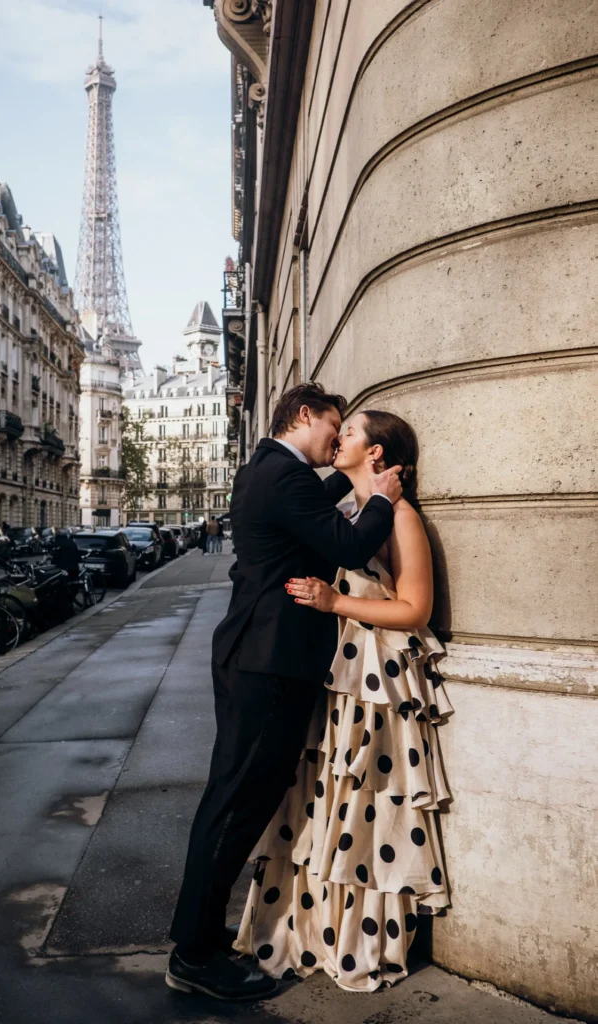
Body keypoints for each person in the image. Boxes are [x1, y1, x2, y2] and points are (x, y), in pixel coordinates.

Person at [167, 383, 402, 1000]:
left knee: (233, 797)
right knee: (238, 801)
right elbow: (347, 542)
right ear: (305, 415)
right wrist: (381, 499)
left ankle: (198, 937)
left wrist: (346, 483)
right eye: (334, 422)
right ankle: (192, 955)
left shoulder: (267, 470)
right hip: (269, 663)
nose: (337, 434)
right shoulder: (284, 476)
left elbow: (311, 510)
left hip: (254, 655)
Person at [235, 410, 453, 992]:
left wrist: (335, 604)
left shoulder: (400, 517)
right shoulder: (350, 513)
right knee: (330, 806)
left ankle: (360, 941)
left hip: (376, 686)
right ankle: (319, 930)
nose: (339, 439)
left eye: (350, 431)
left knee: (366, 811)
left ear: (376, 454)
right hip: (340, 679)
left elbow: (415, 611)